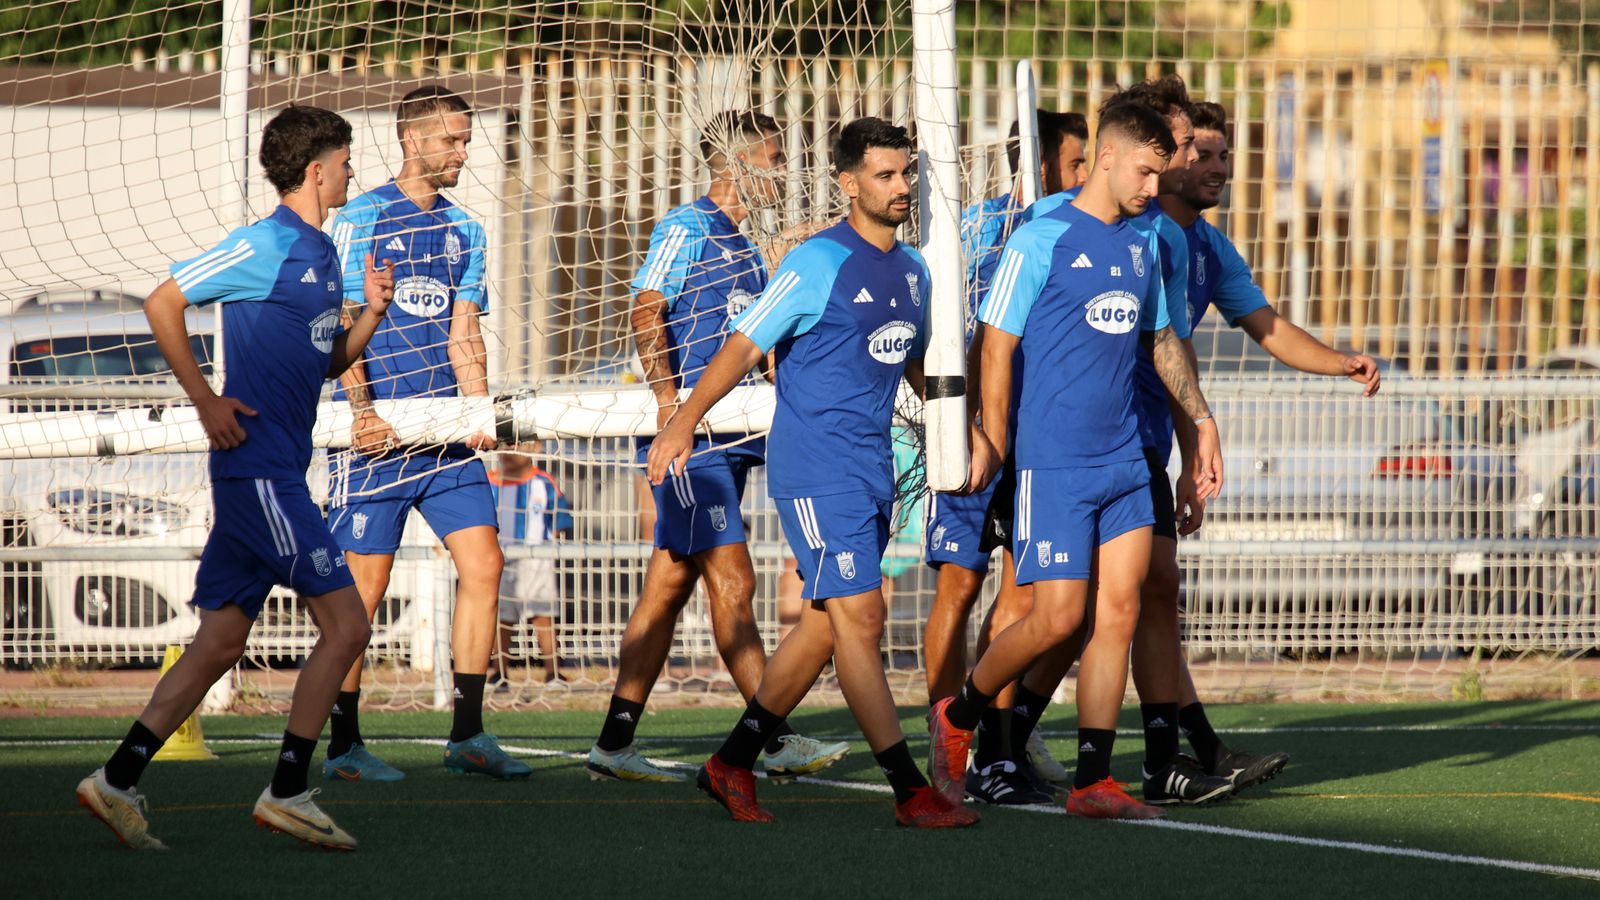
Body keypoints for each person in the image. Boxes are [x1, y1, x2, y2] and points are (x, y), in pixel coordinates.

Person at [75, 105, 394, 850]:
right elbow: (164, 301)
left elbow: (326, 364)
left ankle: (116, 778)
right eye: (346, 161)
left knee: (219, 642)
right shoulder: (266, 243)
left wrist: (371, 314)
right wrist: (207, 400)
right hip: (259, 477)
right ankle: (288, 790)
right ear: (317, 170)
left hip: (276, 471)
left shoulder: (323, 252)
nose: (353, 172)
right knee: (347, 625)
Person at [652, 117, 983, 829]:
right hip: (815, 469)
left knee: (828, 627)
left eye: (907, 175)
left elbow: (918, 363)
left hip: (874, 469)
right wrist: (682, 419)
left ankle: (732, 762)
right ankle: (909, 790)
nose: (900, 188)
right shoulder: (815, 263)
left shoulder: (916, 270)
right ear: (848, 183)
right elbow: (742, 348)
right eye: (885, 175)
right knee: (861, 618)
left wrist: (961, 428)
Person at [928, 99, 1223, 820]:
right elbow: (994, 342)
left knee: (1116, 613)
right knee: (1057, 619)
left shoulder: (1145, 242)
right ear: (1110, 156)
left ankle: (1094, 781)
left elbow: (1160, 340)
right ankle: (958, 716)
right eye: (1149, 172)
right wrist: (990, 436)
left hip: (1128, 459)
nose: (1156, 188)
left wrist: (1201, 423)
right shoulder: (1041, 236)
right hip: (1054, 465)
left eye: (1163, 174)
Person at [587, 111, 849, 783]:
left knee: (670, 585)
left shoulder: (742, 241)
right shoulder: (687, 226)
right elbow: (647, 307)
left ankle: (614, 744)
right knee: (734, 578)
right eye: (774, 157)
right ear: (737, 164)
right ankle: (774, 739)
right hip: (695, 441)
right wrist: (670, 405)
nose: (785, 172)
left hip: (740, 435)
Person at [1142, 99, 1379, 788]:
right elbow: (1164, 345)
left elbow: (1265, 328)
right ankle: (987, 736)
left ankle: (1178, 760)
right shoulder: (1132, 230)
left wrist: (1341, 361)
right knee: (1049, 608)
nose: (1215, 167)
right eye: (1200, 152)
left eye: (1221, 155)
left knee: (1150, 594)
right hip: (1079, 440)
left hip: (1140, 441)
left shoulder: (1206, 246)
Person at [321, 86, 526, 782]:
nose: (464, 152)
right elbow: (346, 315)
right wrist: (362, 410)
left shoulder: (467, 229)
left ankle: (467, 733)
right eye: (453, 141)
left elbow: (464, 330)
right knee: (364, 593)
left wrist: (478, 413)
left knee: (486, 565)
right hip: (378, 440)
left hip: (444, 437)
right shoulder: (363, 217)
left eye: (467, 140)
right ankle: (344, 745)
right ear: (414, 141)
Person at [922, 109, 1089, 805]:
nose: (1086, 176)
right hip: (973, 435)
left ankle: (998, 735)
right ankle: (944, 731)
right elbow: (959, 329)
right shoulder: (980, 231)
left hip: (1035, 440)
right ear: (1043, 165)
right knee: (959, 587)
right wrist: (961, 422)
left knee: (1027, 596)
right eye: (1077, 163)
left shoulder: (1072, 231)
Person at [490, 447, 572, 686]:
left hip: (537, 559)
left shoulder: (544, 483)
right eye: (501, 444)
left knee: (542, 614)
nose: (505, 451)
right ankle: (499, 672)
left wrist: (547, 546)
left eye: (513, 444)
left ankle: (553, 671)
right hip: (501, 558)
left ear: (533, 447)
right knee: (502, 617)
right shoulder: (489, 483)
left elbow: (559, 519)